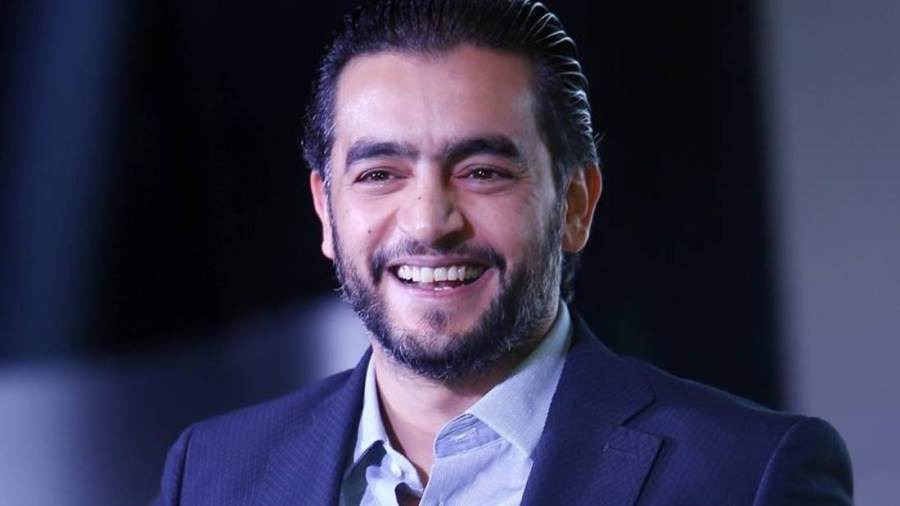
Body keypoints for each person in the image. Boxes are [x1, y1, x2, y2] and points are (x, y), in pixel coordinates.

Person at [153, 1, 853, 504]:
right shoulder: (209, 475)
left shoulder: (750, 475)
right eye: (380, 174)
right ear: (325, 211)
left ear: (575, 204)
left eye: (482, 171)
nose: (429, 221)